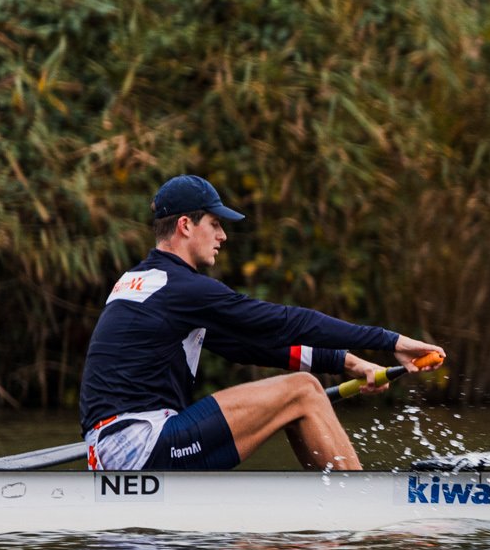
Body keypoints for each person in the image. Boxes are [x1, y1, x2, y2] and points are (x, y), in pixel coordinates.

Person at [79, 175, 445, 471]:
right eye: (216, 224)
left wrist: (350, 362)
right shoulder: (182, 288)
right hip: (139, 448)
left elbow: (252, 346)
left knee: (301, 394)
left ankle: (335, 508)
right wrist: (390, 340)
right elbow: (287, 323)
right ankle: (362, 505)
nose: (222, 236)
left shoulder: (142, 283)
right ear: (186, 225)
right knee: (303, 390)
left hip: (116, 448)